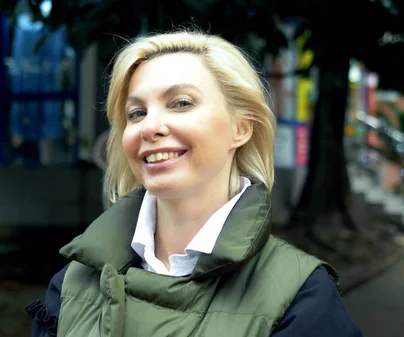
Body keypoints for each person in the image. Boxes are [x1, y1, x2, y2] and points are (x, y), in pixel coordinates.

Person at [26, 29, 363, 337]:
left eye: (181, 103)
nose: (149, 126)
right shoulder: (74, 281)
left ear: (241, 128)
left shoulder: (301, 296)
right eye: (136, 112)